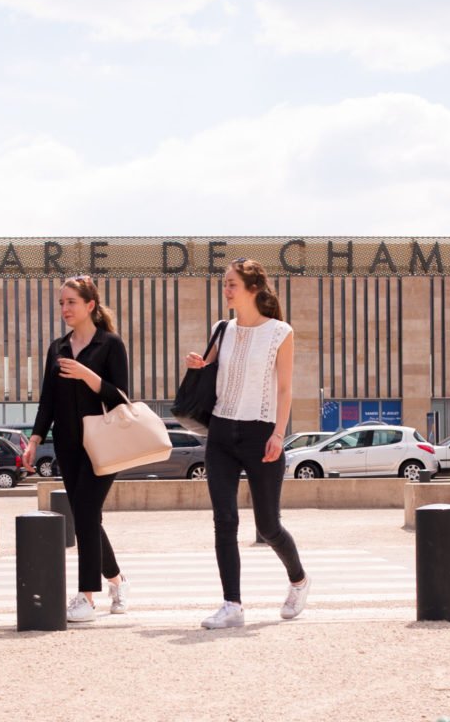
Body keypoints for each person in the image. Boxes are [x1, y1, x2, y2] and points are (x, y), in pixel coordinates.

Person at [185, 258, 308, 630]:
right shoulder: (221, 329)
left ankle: (299, 580)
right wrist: (198, 365)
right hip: (221, 432)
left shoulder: (279, 332)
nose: (226, 289)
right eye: (225, 283)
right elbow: (215, 376)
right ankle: (232, 605)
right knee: (224, 521)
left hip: (261, 433)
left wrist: (277, 433)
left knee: (268, 525)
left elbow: (285, 388)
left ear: (253, 288)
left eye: (232, 283)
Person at [25, 275, 131, 623]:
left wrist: (86, 374)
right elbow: (48, 401)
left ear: (90, 305)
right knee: (87, 516)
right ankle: (116, 579)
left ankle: (86, 597)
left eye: (71, 302)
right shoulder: (57, 348)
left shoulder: (110, 345)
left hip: (103, 442)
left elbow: (120, 398)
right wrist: (36, 439)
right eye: (61, 302)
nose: (65, 308)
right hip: (68, 446)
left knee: (85, 513)